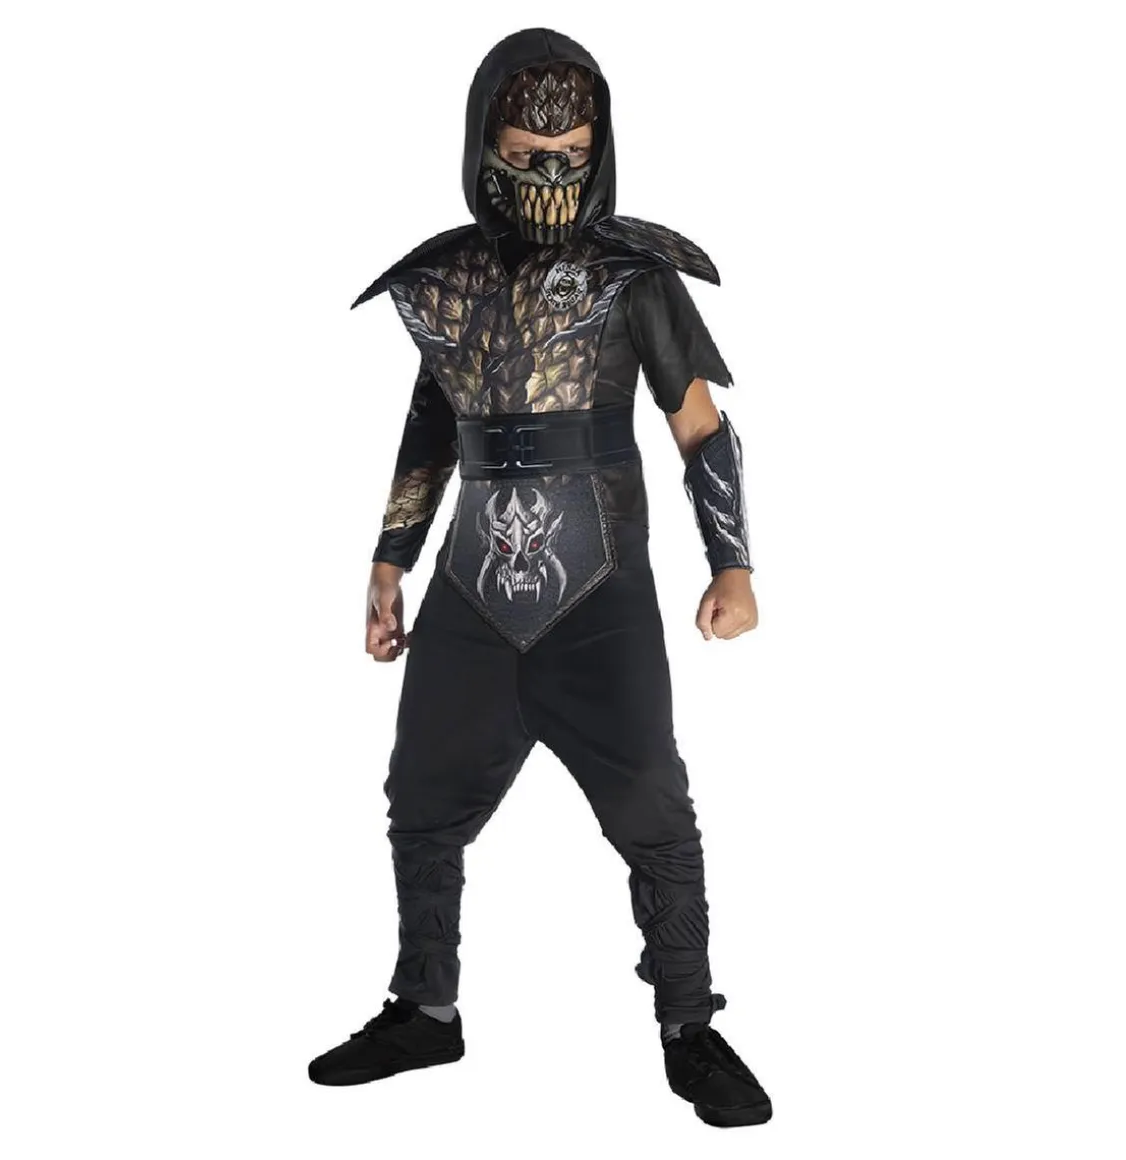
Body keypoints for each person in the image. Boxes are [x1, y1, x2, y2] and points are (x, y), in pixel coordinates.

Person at [308, 27, 772, 1129]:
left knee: (653, 804)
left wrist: (735, 564)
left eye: (571, 154)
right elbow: (433, 421)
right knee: (420, 798)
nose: (552, 174)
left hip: (600, 593)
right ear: (486, 147)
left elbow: (701, 430)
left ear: (600, 147)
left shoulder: (633, 276)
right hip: (471, 587)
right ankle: (425, 1009)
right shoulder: (447, 279)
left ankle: (688, 1025)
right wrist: (389, 559)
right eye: (527, 154)